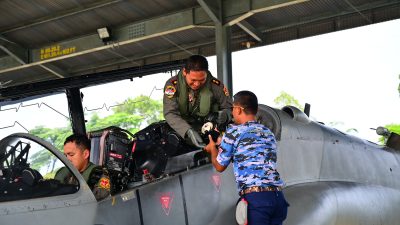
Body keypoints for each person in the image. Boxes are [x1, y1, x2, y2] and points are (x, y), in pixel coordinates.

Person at [204, 90, 289, 225]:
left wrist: (212, 149)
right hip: (278, 199)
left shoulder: (233, 132)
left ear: (238, 109)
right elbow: (251, 154)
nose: (232, 112)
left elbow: (219, 166)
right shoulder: (268, 132)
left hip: (257, 200)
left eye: (232, 108)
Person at [163, 54, 232, 148]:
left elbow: (230, 108)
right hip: (183, 128)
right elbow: (170, 113)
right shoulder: (173, 85)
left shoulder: (216, 85)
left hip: (210, 129)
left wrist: (224, 115)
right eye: (193, 80)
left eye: (202, 80)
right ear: (184, 72)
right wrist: (188, 131)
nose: (197, 84)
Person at [55, 134, 110, 201]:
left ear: (85, 154)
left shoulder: (99, 175)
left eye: (71, 154)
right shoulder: (63, 173)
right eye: (65, 155)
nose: (67, 159)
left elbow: (97, 202)